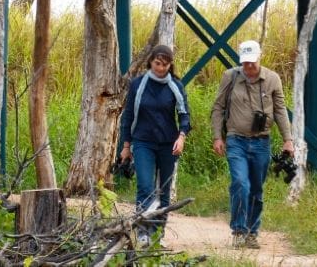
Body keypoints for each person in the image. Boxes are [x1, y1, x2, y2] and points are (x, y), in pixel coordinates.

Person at [210, 39, 294, 250]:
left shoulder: (273, 79)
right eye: (244, 63)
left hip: (261, 142)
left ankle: (252, 232)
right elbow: (218, 107)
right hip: (236, 140)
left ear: (259, 57)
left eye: (252, 63)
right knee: (240, 183)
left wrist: (288, 140)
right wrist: (217, 137)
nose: (248, 67)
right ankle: (238, 230)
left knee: (256, 189)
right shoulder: (231, 77)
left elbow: (280, 110)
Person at [120, 44, 191, 247]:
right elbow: (129, 116)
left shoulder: (175, 86)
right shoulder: (138, 85)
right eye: (158, 63)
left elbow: (185, 115)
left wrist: (182, 136)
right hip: (143, 142)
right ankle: (143, 232)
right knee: (145, 186)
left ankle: (158, 234)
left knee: (164, 190)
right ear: (151, 61)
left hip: (168, 144)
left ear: (170, 65)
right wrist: (126, 146)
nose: (161, 68)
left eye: (165, 64)